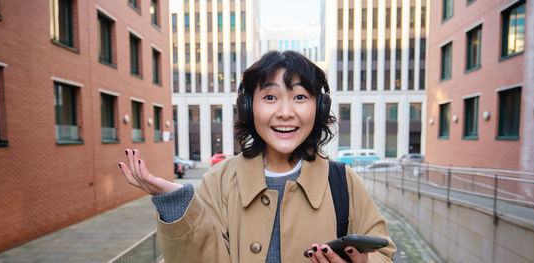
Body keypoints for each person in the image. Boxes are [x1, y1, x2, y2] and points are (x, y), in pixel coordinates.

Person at [118, 51, 396, 262]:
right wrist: (178, 203)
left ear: (320, 108)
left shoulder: (343, 181)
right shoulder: (219, 180)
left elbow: (384, 252)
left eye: (299, 97)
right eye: (271, 97)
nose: (285, 112)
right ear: (249, 106)